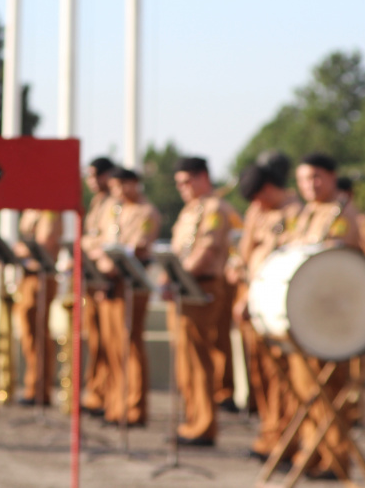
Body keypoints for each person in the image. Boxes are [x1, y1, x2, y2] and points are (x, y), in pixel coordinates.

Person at [282, 152, 364, 480]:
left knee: (332, 391)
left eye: (316, 177)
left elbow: (334, 259)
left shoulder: (342, 212)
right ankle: (313, 453)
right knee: (307, 391)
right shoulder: (307, 213)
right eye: (303, 179)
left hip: (332, 314)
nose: (309, 185)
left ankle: (335, 459)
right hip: (308, 312)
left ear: (331, 177)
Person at [232, 153, 301, 462]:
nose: (256, 204)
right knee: (260, 374)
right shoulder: (256, 211)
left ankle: (287, 439)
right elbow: (245, 251)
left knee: (282, 378)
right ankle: (269, 432)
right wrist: (236, 270)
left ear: (271, 188)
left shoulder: (294, 212)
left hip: (276, 304)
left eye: (259, 197)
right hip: (251, 302)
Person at [167, 156, 236, 446]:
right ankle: (192, 420)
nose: (183, 188)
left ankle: (205, 425)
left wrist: (178, 277)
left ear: (203, 177)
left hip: (202, 287)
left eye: (187, 181)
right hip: (183, 289)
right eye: (179, 183)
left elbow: (207, 250)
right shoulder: (189, 210)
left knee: (199, 360)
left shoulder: (214, 208)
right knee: (186, 361)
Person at [88, 167, 160, 427]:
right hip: (109, 285)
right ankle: (115, 404)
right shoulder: (113, 209)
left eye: (122, 186)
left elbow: (138, 245)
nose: (117, 191)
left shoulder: (146, 212)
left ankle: (134, 407)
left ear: (134, 184)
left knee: (129, 344)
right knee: (113, 347)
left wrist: (106, 257)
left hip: (131, 283)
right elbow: (97, 240)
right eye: (114, 186)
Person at [12, 209, 62, 405]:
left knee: (38, 335)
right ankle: (32, 386)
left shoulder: (50, 212)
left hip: (42, 277)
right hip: (27, 276)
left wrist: (19, 249)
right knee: (28, 334)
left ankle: (40, 389)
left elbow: (44, 242)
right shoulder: (29, 211)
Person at [80, 156, 115, 415]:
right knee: (94, 341)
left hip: (106, 277)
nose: (91, 181)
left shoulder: (114, 204)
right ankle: (95, 390)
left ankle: (106, 394)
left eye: (95, 176)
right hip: (91, 276)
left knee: (109, 343)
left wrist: (88, 247)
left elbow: (106, 241)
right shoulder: (97, 202)